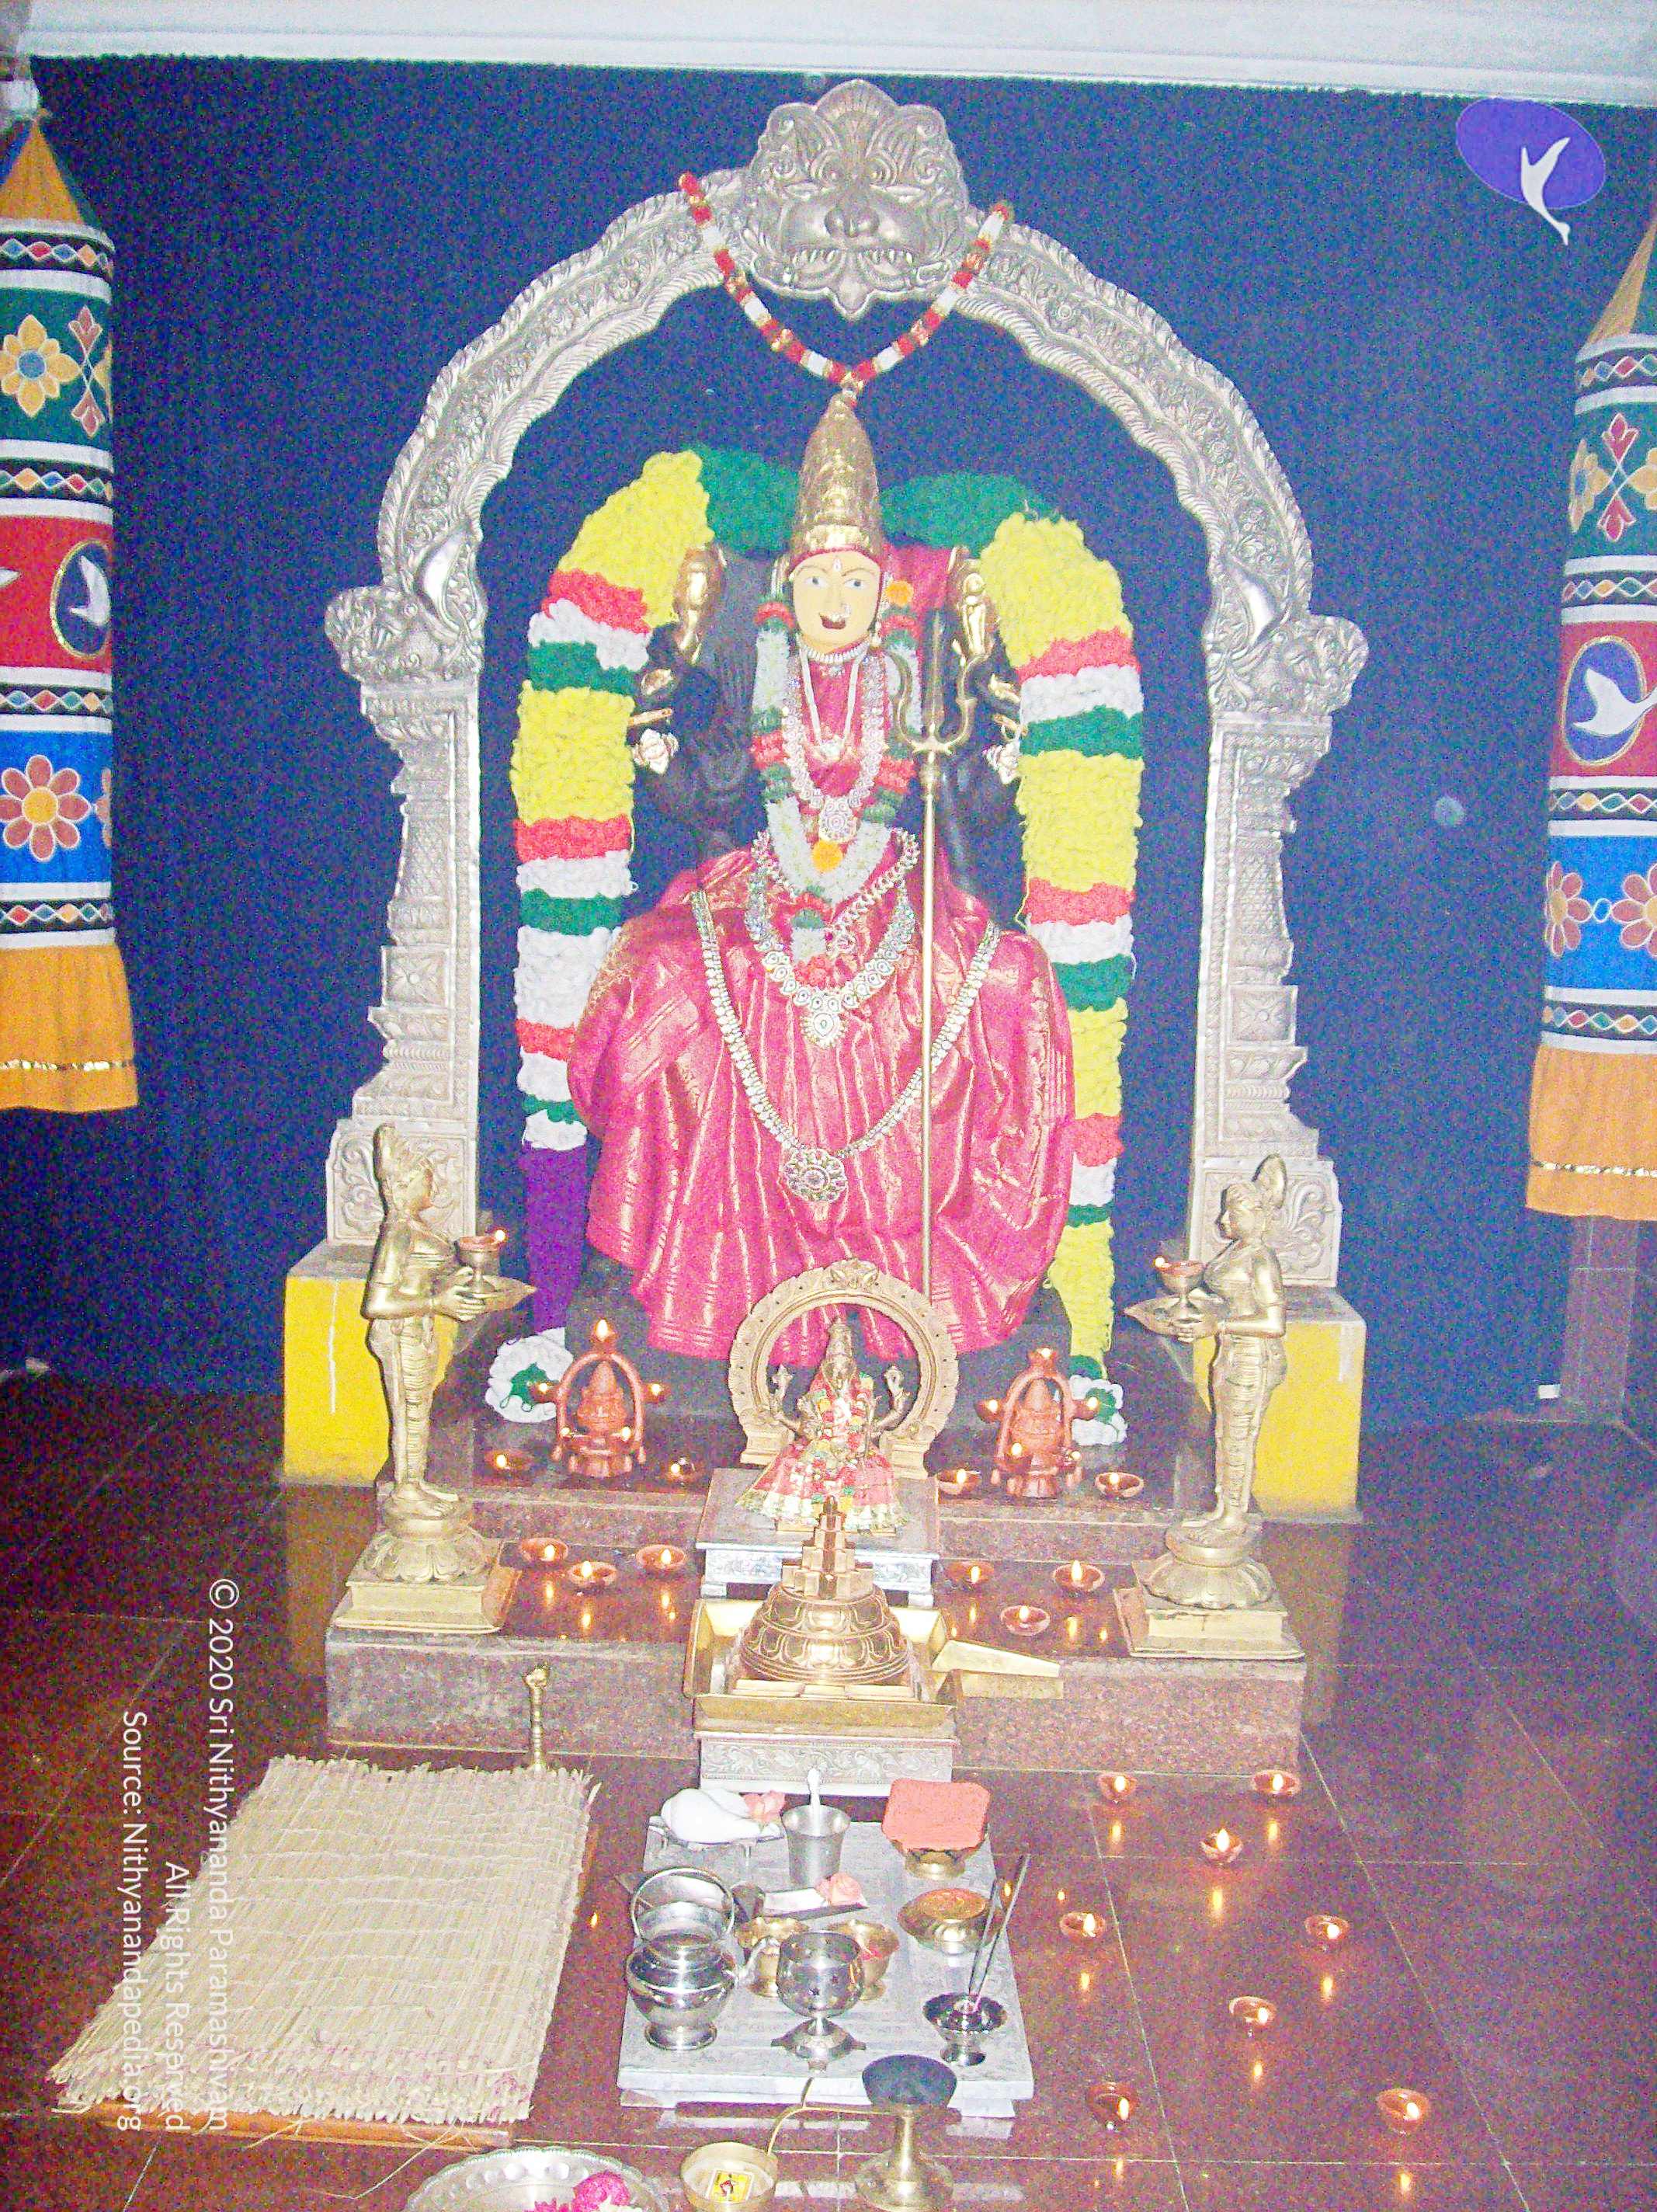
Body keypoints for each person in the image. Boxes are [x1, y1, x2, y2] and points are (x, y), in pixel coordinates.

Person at [568, 393, 1074, 1365]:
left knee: (1009, 980)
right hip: (765, 888)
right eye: (815, 580)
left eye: (854, 579)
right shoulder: (769, 678)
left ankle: (915, 1245)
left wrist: (996, 697)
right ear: (786, 592)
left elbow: (971, 805)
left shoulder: (910, 682)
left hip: (895, 892)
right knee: (660, 970)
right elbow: (701, 787)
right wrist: (662, 688)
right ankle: (669, 1243)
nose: (835, 599)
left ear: (882, 591)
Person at [739, 1313, 904, 1534]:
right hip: (820, 1444)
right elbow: (806, 1428)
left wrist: (896, 1407)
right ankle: (804, 1516)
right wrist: (781, 1415)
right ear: (826, 1370)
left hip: (854, 1447)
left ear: (852, 1370)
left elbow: (872, 1428)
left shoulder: (863, 1394)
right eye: (834, 1369)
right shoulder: (817, 1396)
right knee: (792, 1463)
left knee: (876, 1470)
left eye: (844, 1368)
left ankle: (859, 1519)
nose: (839, 1375)